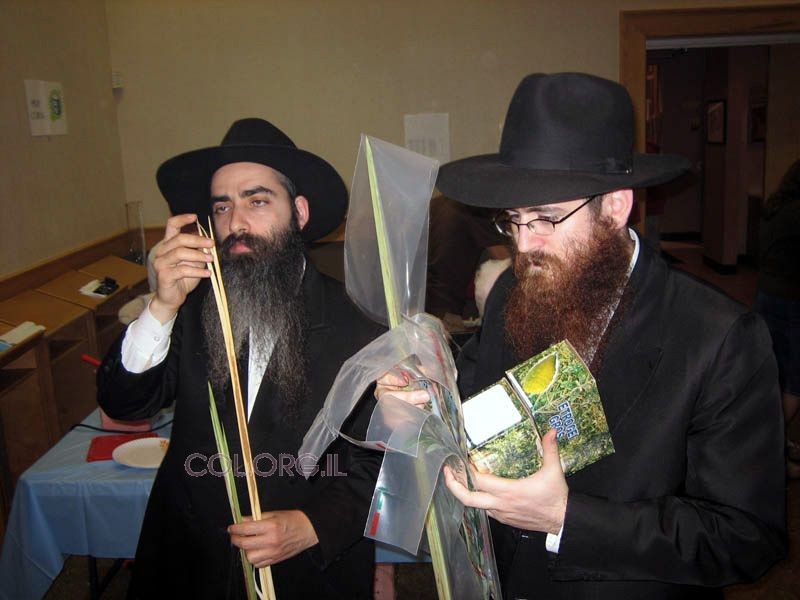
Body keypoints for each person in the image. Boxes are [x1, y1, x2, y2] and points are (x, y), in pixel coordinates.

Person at [380, 73, 787, 599]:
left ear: (615, 207)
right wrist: (423, 399)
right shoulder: (512, 291)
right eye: (514, 221)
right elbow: (477, 398)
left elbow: (746, 538)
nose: (525, 247)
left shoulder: (720, 338)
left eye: (546, 219)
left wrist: (566, 519)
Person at [98, 118, 384, 599]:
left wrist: (313, 524)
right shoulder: (189, 307)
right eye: (222, 206)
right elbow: (124, 403)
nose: (236, 224)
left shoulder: (361, 326)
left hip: (305, 572)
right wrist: (161, 306)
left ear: (299, 212)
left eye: (257, 201)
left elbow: (381, 461)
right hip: (189, 561)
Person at [755, 158, 800, 479]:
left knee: (775, 373)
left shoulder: (775, 207)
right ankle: (770, 448)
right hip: (792, 300)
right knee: (794, 381)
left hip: (767, 293)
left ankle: (775, 444)